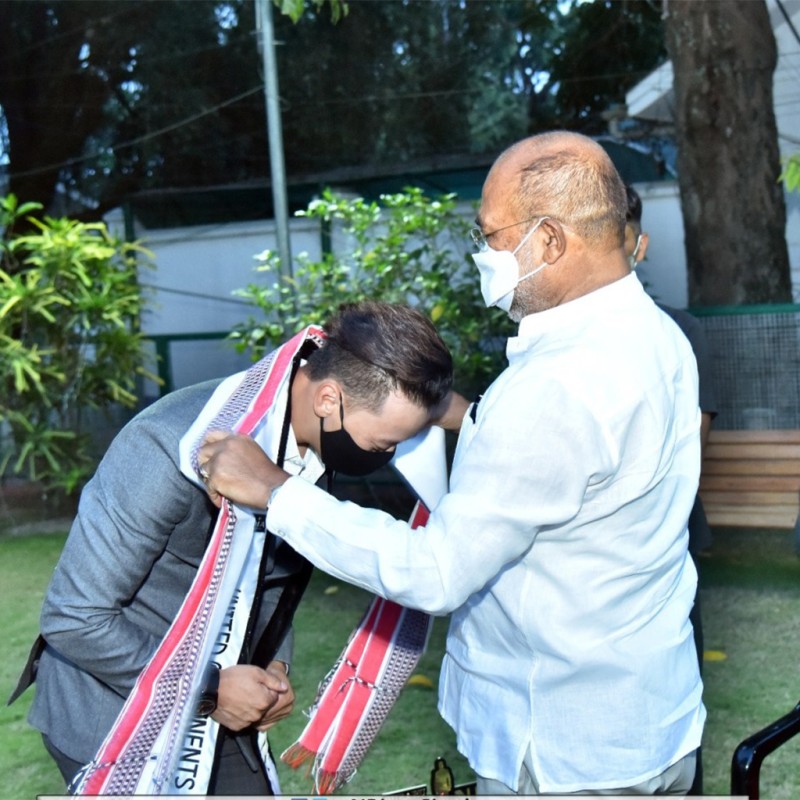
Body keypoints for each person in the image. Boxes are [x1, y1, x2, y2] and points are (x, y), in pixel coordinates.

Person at [200, 131, 706, 796]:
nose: (483, 254)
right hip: (646, 718)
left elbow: (436, 571)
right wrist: (470, 418)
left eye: (491, 235)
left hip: (561, 749)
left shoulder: (556, 386)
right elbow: (578, 472)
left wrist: (276, 491)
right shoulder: (653, 334)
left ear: (549, 241)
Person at [10, 300, 459, 795]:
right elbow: (74, 616)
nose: (386, 455)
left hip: (221, 694)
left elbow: (271, 570)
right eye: (381, 445)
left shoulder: (317, 435)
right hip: (112, 709)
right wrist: (209, 688)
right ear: (328, 398)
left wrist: (273, 662)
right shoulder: (166, 446)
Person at [625, 183, 718, 795]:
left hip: (668, 547)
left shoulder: (676, 332)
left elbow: (691, 445)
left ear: (639, 245)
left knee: (676, 705)